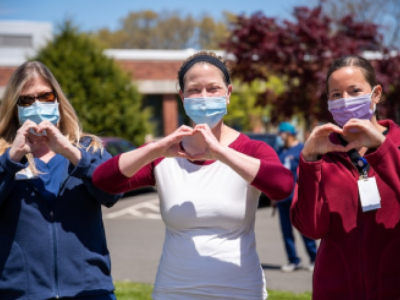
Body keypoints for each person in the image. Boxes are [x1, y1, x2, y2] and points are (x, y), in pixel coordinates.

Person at [92, 51, 294, 300]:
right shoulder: (165, 154)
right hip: (173, 290)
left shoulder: (252, 150)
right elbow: (103, 181)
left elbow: (282, 186)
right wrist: (155, 149)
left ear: (228, 94)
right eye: (195, 90)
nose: (204, 97)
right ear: (182, 97)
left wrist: (221, 152)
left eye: (213, 88)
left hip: (240, 290)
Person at [0, 61, 122, 300]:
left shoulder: (89, 148)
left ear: (57, 99)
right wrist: (12, 158)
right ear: (15, 107)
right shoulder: (4, 155)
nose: (37, 105)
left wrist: (69, 151)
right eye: (26, 100)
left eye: (46, 96)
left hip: (90, 292)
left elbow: (112, 194)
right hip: (20, 293)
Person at [291, 54, 400, 299]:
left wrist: (383, 149)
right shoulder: (321, 153)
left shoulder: (396, 145)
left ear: (376, 94)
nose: (346, 101)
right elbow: (312, 228)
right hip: (335, 290)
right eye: (336, 95)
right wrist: (309, 161)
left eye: (354, 91)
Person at [276, 122, 317, 272]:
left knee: (305, 230)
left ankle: (315, 258)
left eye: (282, 133)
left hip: (298, 199)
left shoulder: (301, 150)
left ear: (289, 134)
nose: (280, 136)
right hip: (282, 199)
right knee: (286, 232)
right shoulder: (280, 151)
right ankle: (293, 260)